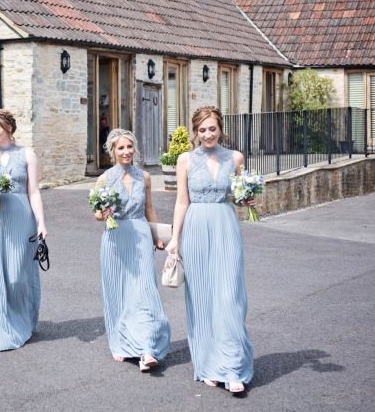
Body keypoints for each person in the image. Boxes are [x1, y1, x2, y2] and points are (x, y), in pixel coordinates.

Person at [165, 105, 256, 393]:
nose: (207, 134)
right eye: (202, 130)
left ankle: (233, 367)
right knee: (203, 298)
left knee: (229, 297)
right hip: (195, 229)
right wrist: (175, 239)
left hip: (225, 227)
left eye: (212, 128)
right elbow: (182, 201)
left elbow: (240, 196)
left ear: (221, 128)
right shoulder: (185, 160)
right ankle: (209, 363)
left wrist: (249, 201)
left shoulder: (236, 157)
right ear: (196, 132)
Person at [0, 109, 48, 351]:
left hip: (19, 218)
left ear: (9, 128)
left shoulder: (27, 155)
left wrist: (41, 223)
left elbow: (33, 191)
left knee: (17, 275)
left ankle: (22, 320)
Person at [94, 128, 171, 372]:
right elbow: (96, 213)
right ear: (112, 152)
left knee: (144, 292)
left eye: (129, 147)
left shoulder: (144, 177)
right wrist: (103, 213)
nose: (126, 152)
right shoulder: (104, 179)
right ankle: (123, 344)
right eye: (121, 148)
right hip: (115, 239)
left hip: (139, 236)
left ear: (134, 149)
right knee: (120, 292)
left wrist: (157, 236)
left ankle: (147, 348)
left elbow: (149, 208)